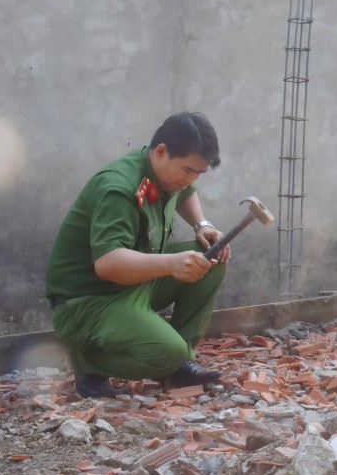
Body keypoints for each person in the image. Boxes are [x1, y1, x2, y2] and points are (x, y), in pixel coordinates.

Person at [45, 112, 230, 398]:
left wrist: (202, 224)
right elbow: (107, 264)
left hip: (131, 286)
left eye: (198, 173)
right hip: (90, 301)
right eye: (187, 170)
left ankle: (180, 364)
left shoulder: (165, 174)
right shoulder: (119, 188)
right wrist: (171, 264)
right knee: (167, 351)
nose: (191, 179)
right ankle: (89, 362)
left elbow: (186, 192)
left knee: (210, 259)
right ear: (161, 151)